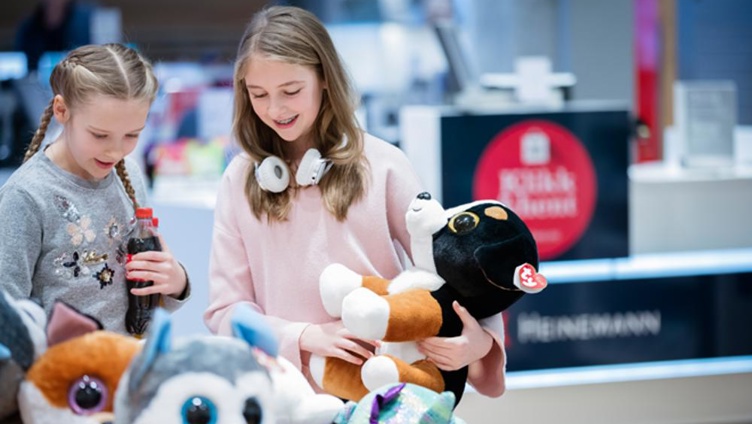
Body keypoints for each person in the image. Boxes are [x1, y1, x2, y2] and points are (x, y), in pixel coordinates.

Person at [203, 5, 506, 399]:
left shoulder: (384, 165)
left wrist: (479, 343)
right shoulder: (240, 179)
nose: (275, 109)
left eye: (291, 91)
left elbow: (455, 263)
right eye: (258, 94)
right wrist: (305, 337)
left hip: (385, 392)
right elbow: (225, 311)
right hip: (284, 397)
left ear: (325, 78)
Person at [0, 43, 190, 336]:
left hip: (129, 362)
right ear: (62, 110)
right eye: (99, 135)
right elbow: (7, 315)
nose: (115, 151)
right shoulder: (25, 196)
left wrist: (176, 281)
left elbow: (145, 296)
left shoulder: (131, 178)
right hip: (61, 374)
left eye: (132, 135)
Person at [14, 0, 95, 73]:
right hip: (34, 82)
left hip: (72, 80)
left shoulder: (83, 22)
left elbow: (84, 59)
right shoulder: (29, 26)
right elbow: (21, 62)